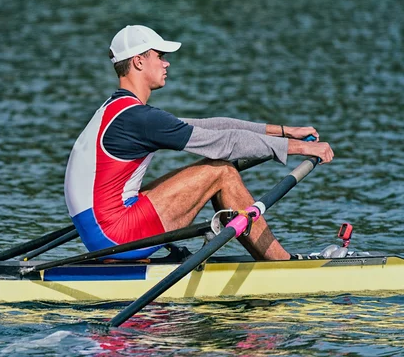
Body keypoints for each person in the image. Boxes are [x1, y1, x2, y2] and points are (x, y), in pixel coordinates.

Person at [64, 25, 334, 261]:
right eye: (160, 56)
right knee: (221, 171)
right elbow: (224, 143)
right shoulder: (139, 118)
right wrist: (303, 148)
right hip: (115, 236)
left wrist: (286, 132)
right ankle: (281, 263)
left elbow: (214, 126)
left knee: (214, 164)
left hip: (101, 232)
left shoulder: (121, 110)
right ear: (138, 62)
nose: (166, 63)